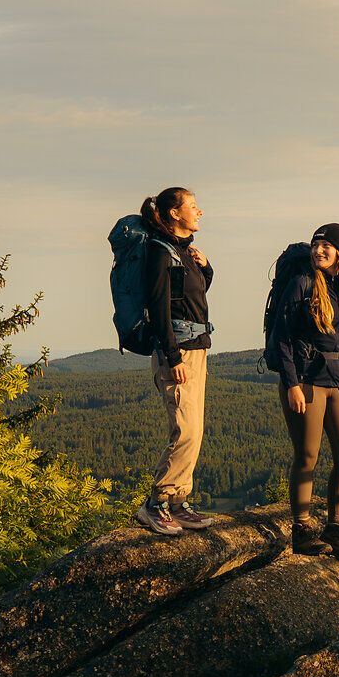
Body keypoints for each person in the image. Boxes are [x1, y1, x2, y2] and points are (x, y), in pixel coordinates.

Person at [272, 222, 339, 567]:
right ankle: (301, 529)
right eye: (317, 245)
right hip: (307, 380)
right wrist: (292, 384)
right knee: (308, 455)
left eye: (327, 246)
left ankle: (336, 526)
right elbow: (282, 339)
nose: (319, 250)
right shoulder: (302, 284)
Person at [135, 186, 220, 536]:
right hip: (178, 352)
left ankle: (178, 501)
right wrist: (171, 357)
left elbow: (194, 296)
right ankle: (156, 503)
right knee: (185, 429)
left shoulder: (185, 253)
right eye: (194, 206)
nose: (199, 212)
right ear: (175, 213)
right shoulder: (159, 252)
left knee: (195, 429)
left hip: (196, 348)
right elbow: (159, 309)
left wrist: (207, 267)